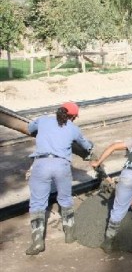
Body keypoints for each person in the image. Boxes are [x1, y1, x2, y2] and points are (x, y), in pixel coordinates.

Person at [25, 102, 94, 255]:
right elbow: (86, 146)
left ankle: (37, 242)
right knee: (65, 199)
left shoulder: (43, 120)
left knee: (37, 203)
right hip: (62, 165)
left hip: (41, 164)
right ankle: (69, 235)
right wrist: (90, 148)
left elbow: (29, 129)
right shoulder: (74, 129)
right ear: (74, 116)